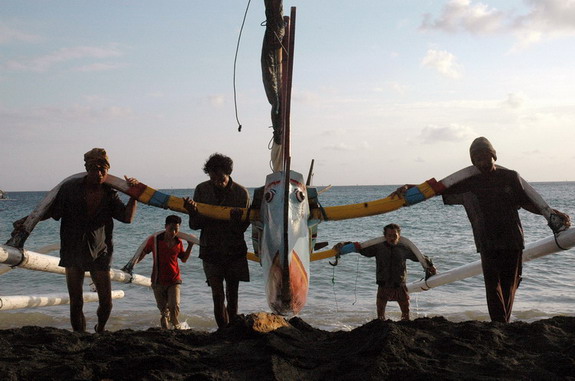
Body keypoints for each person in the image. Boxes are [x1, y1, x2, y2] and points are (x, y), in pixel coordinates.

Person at [394, 137, 570, 322]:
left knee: (511, 282)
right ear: (473, 161)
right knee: (492, 284)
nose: (482, 162)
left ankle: (503, 322)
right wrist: (409, 188)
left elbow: (526, 201)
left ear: (494, 155)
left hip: (512, 237)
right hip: (487, 239)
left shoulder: (510, 177)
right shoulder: (470, 181)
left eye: (486, 157)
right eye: (477, 159)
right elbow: (439, 189)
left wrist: (549, 213)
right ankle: (499, 323)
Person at [13, 148, 138, 332]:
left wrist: (134, 195)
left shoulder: (109, 193)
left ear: (108, 169)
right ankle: (79, 335)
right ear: (86, 168)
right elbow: (50, 211)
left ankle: (100, 329)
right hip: (72, 249)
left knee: (107, 302)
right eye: (94, 168)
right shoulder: (70, 188)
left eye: (103, 168)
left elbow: (127, 218)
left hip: (100, 251)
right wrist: (28, 220)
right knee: (76, 301)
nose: (99, 173)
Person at [183, 153, 250, 329]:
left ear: (228, 172)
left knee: (233, 293)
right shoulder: (201, 190)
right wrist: (193, 212)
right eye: (212, 177)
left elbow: (242, 229)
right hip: (210, 249)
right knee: (217, 294)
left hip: (234, 251)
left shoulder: (241, 193)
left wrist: (236, 221)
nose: (216, 181)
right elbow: (195, 226)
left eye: (219, 177)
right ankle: (222, 330)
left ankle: (233, 329)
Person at [335, 224, 436, 321]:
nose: (392, 238)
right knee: (380, 317)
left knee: (406, 314)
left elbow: (419, 257)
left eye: (394, 236)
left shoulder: (404, 248)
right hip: (383, 285)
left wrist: (430, 266)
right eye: (389, 236)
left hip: (399, 286)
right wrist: (345, 245)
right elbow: (361, 248)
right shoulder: (378, 247)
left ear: (399, 236)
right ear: (385, 236)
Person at [129, 215, 193, 329]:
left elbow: (183, 259)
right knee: (164, 312)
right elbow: (143, 252)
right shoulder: (155, 240)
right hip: (158, 281)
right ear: (165, 227)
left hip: (174, 280)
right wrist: (133, 263)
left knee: (174, 306)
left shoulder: (179, 242)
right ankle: (166, 331)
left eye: (176, 229)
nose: (174, 232)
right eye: (171, 228)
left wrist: (190, 245)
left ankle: (176, 325)